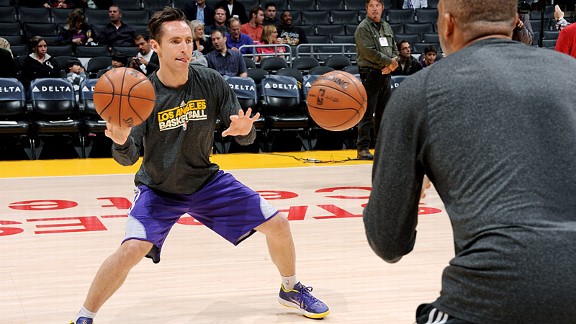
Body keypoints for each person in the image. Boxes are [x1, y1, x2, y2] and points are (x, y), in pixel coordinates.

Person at [70, 7, 329, 324]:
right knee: (130, 250)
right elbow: (127, 158)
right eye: (175, 41)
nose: (184, 48)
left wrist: (245, 131)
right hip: (159, 188)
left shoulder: (210, 81)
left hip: (205, 182)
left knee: (278, 224)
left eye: (188, 41)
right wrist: (121, 140)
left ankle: (290, 289)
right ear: (156, 46)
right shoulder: (142, 94)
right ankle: (84, 315)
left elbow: (244, 135)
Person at [363, 0, 576, 323]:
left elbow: (387, 241)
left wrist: (412, 190)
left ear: (447, 24)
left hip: (492, 294)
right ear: (516, 20)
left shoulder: (418, 91)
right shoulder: (570, 71)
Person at [354, 0, 398, 160]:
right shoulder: (363, 28)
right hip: (370, 74)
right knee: (367, 113)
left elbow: (395, 49)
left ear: (382, 8)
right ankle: (363, 149)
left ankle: (382, 148)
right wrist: (389, 63)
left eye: (377, 6)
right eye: (371, 6)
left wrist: (392, 64)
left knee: (384, 114)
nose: (374, 9)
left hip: (386, 74)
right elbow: (368, 52)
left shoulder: (386, 26)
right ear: (366, 8)